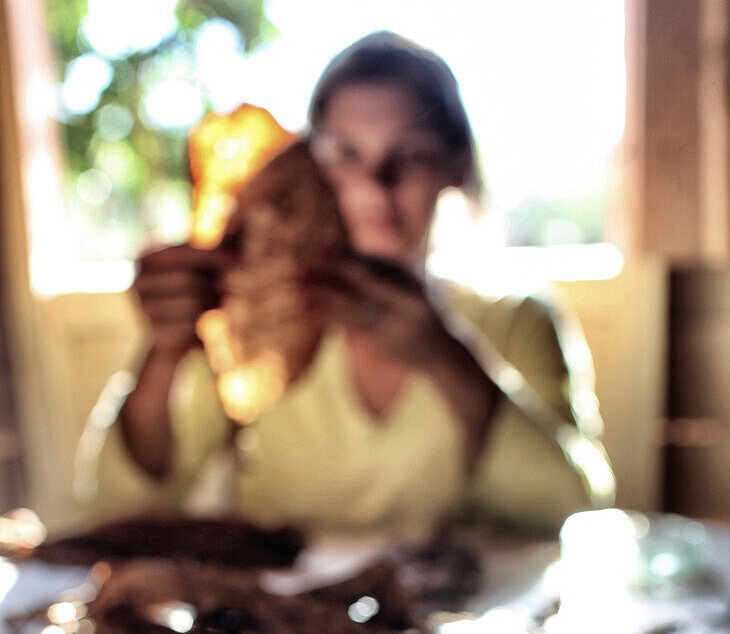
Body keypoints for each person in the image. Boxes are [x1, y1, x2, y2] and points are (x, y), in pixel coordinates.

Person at [76, 32, 615, 533]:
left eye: (411, 155)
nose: (375, 187)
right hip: (280, 627)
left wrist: (445, 357)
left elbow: (579, 514)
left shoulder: (517, 320)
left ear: (454, 163)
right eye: (346, 154)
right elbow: (119, 507)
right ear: (308, 165)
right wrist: (164, 351)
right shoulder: (255, 323)